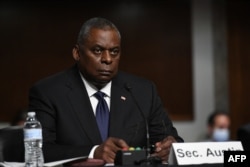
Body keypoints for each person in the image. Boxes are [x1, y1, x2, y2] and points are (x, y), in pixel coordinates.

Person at [28, 17, 183, 164]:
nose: (108, 59)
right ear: (77, 53)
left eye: (114, 51)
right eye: (97, 50)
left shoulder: (142, 91)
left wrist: (169, 147)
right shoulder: (48, 92)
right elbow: (39, 151)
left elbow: (170, 139)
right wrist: (93, 152)